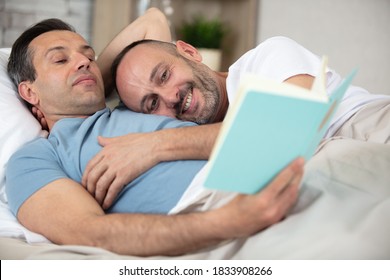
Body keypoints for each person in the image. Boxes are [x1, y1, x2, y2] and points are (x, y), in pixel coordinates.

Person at [5, 14, 304, 257]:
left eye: (89, 57)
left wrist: (96, 74)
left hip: (281, 160)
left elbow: (153, 21)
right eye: (60, 60)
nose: (83, 62)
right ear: (29, 91)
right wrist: (228, 220)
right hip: (223, 209)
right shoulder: (34, 159)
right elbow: (89, 232)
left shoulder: (144, 104)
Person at [85, 34, 390, 200]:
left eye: (164, 75)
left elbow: (284, 128)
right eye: (152, 104)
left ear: (190, 52)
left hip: (366, 126)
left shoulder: (269, 56)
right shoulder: (200, 146)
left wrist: (151, 146)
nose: (170, 97)